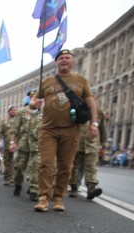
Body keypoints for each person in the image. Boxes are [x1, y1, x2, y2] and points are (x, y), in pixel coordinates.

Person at [32, 49, 99, 212]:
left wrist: (94, 124)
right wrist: (34, 104)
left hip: (71, 130)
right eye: (61, 58)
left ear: (72, 61)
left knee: (65, 166)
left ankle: (58, 198)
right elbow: (33, 101)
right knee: (46, 164)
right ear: (57, 62)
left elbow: (91, 103)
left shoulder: (80, 80)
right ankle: (43, 197)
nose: (64, 60)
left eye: (67, 58)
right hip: (48, 129)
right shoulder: (47, 81)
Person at [69, 90, 107, 200]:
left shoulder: (99, 113)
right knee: (75, 167)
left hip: (93, 144)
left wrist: (103, 145)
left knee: (91, 167)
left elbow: (103, 129)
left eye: (93, 97)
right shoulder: (77, 110)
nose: (91, 99)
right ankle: (74, 188)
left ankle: (91, 189)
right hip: (78, 144)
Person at [10, 98, 41, 202]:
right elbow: (14, 127)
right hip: (23, 144)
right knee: (18, 167)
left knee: (35, 167)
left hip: (38, 145)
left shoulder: (44, 112)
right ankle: (18, 185)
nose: (37, 101)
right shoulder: (22, 111)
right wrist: (12, 142)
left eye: (39, 99)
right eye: (34, 99)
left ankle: (33, 190)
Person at [0, 104, 18, 185]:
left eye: (15, 110)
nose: (13, 111)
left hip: (17, 144)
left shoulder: (19, 120)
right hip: (7, 144)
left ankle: (15, 178)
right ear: (8, 111)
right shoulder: (4, 121)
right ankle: (7, 178)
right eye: (11, 110)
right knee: (7, 162)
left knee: (16, 161)